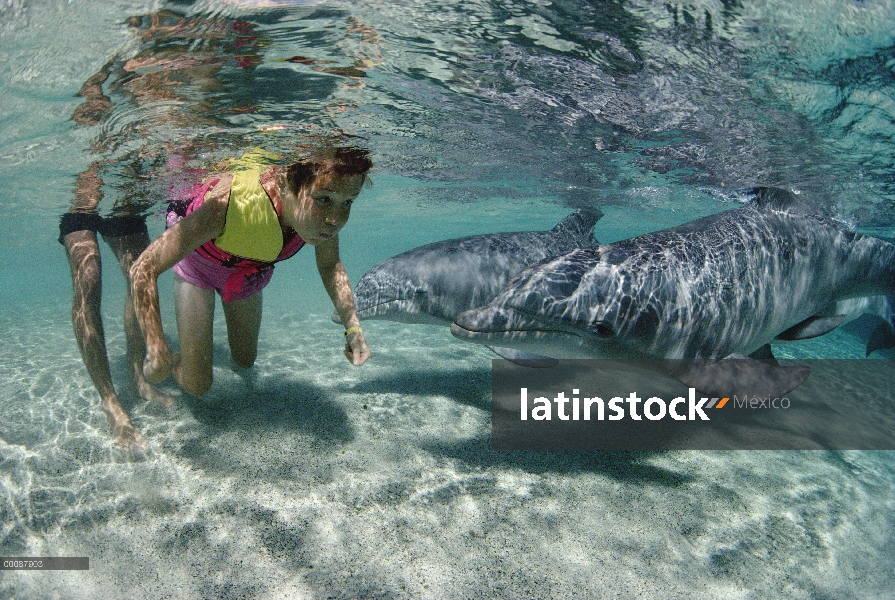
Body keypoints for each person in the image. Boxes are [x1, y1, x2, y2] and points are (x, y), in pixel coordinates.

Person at [130, 146, 373, 397]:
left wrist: (354, 329)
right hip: (198, 268)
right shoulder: (227, 205)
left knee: (245, 361)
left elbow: (330, 265)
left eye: (347, 203)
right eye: (323, 198)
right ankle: (178, 359)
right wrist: (156, 346)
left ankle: (194, 354)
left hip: (246, 273)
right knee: (197, 385)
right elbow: (143, 268)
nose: (335, 218)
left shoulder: (318, 221)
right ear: (283, 183)